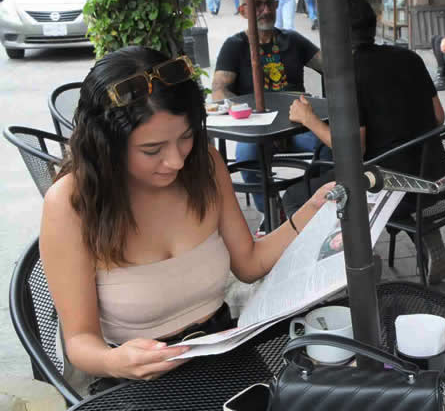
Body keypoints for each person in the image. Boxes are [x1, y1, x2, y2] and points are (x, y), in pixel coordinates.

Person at [40, 46, 333, 393]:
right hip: (135, 381)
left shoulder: (203, 164)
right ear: (107, 145)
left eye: (186, 137)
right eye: (152, 150)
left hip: (224, 352)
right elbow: (79, 342)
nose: (176, 161)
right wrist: (114, 361)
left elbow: (250, 264)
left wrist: (313, 209)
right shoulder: (72, 203)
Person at [284, 0, 445, 283]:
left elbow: (353, 149)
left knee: (296, 195)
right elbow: (438, 116)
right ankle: (418, 229)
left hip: (386, 188)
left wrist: (307, 118)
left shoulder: (348, 75)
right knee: (365, 169)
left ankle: (356, 256)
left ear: (333, 34)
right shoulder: (409, 57)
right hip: (432, 180)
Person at [211, 0, 323, 221]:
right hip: (258, 129)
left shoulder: (292, 40)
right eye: (258, 5)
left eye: (271, 3)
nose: (267, 10)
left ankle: (305, 208)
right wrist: (247, 112)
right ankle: (272, 214)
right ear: (243, 11)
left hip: (299, 124)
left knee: (328, 151)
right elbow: (219, 91)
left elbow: (330, 67)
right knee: (247, 160)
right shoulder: (235, 46)